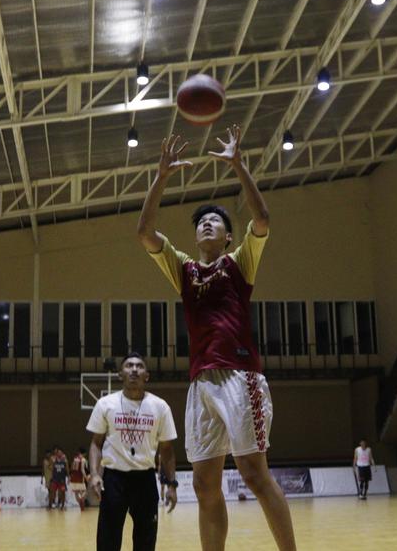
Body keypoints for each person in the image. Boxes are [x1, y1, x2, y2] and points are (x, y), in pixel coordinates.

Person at [137, 127, 297, 551]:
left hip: (239, 376)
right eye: (203, 221)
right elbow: (145, 231)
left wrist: (239, 165)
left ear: (228, 236)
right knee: (204, 482)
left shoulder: (240, 262)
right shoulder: (184, 269)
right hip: (200, 382)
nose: (208, 223)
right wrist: (161, 177)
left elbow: (262, 219)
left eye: (217, 221)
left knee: (253, 472)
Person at [87, 353, 179, 551]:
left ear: (147, 375)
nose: (134, 369)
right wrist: (95, 475)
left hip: (145, 480)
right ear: (121, 374)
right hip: (113, 480)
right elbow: (96, 443)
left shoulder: (160, 407)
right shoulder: (105, 404)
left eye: (139, 366)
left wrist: (171, 484)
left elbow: (167, 450)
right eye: (129, 366)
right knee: (107, 541)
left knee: (146, 542)